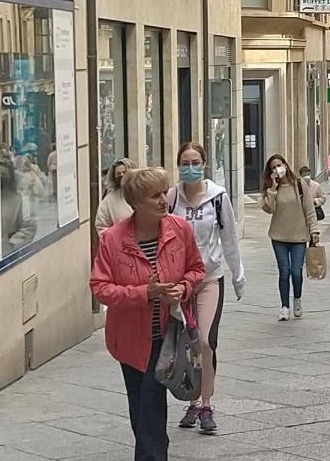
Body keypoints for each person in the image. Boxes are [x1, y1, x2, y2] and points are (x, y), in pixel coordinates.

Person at [90, 167, 205, 461]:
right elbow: (100, 287)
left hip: (169, 336)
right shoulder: (113, 240)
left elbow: (196, 269)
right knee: (141, 406)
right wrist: (144, 293)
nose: (163, 200)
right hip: (130, 340)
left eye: (164, 192)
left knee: (151, 403)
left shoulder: (180, 230)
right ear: (136, 203)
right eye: (154, 196)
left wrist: (183, 287)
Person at [169, 143, 245, 434]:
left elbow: (229, 239)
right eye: (185, 162)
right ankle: (190, 400)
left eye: (196, 162)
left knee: (204, 341)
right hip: (180, 285)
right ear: (179, 165)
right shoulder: (172, 197)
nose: (191, 167)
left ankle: (206, 403)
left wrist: (238, 277)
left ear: (204, 164)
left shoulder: (217, 197)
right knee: (185, 347)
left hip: (210, 279)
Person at [261, 155, 320, 321]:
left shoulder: (300, 185)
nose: (277, 169)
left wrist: (314, 230)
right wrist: (272, 188)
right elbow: (269, 209)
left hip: (299, 236)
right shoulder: (271, 188)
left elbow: (309, 209)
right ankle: (284, 306)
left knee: (296, 271)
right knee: (284, 272)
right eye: (273, 168)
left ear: (286, 165)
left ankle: (297, 299)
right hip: (278, 236)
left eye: (279, 165)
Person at [0, 158, 36, 255]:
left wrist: (10, 244)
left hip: (7, 255)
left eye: (4, 174)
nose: (2, 176)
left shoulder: (20, 199)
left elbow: (29, 227)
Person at [96, 158, 137, 236]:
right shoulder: (109, 200)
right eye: (118, 174)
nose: (121, 175)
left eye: (124, 172)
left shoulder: (144, 192)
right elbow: (102, 226)